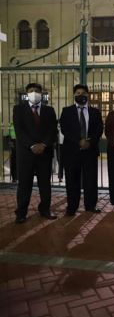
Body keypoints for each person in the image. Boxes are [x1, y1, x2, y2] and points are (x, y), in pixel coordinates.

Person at [13, 83, 58, 223]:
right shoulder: (18, 109)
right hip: (26, 153)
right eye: (31, 91)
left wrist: (43, 144)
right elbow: (19, 131)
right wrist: (32, 145)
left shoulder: (49, 110)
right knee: (24, 184)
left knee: (45, 184)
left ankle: (45, 209)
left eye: (37, 91)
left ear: (41, 93)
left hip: (44, 153)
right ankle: (21, 213)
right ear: (27, 93)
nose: (34, 93)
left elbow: (52, 130)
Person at [60, 84, 103, 216]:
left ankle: (90, 205)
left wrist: (89, 142)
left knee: (90, 180)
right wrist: (79, 141)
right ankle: (72, 206)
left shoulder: (95, 112)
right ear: (74, 95)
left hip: (90, 151)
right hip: (72, 151)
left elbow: (99, 130)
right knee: (72, 180)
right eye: (77, 93)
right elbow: (64, 129)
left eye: (83, 93)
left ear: (87, 95)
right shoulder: (67, 111)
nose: (80, 95)